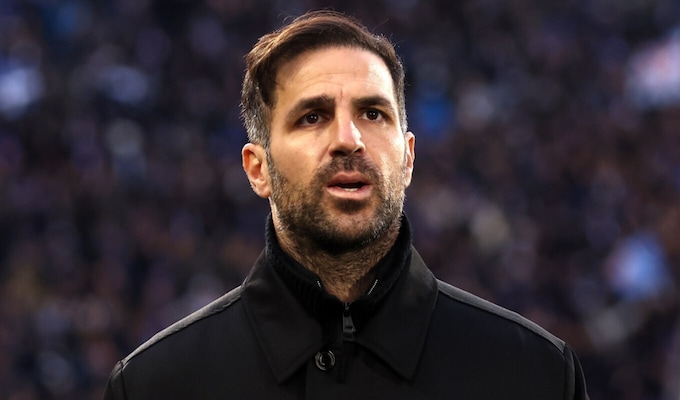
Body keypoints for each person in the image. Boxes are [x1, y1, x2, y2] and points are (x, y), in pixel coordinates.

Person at [103, 10, 589, 399]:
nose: (348, 139)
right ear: (258, 169)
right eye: (312, 117)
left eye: (373, 113)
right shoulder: (155, 386)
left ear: (408, 158)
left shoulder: (536, 375)